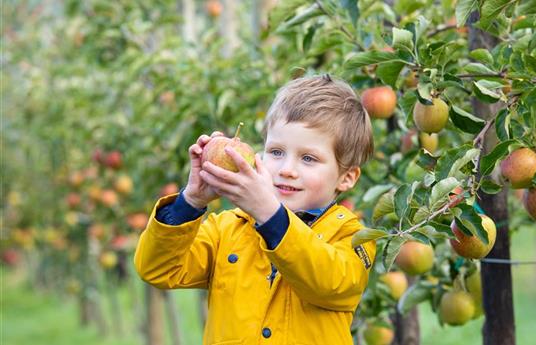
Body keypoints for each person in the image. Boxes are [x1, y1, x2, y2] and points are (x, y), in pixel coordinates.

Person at [134, 75, 376, 344]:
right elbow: (157, 269)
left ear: (347, 177)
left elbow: (331, 283)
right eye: (276, 152)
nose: (286, 169)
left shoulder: (353, 238)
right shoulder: (226, 229)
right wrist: (191, 201)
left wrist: (271, 216)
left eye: (308, 158)